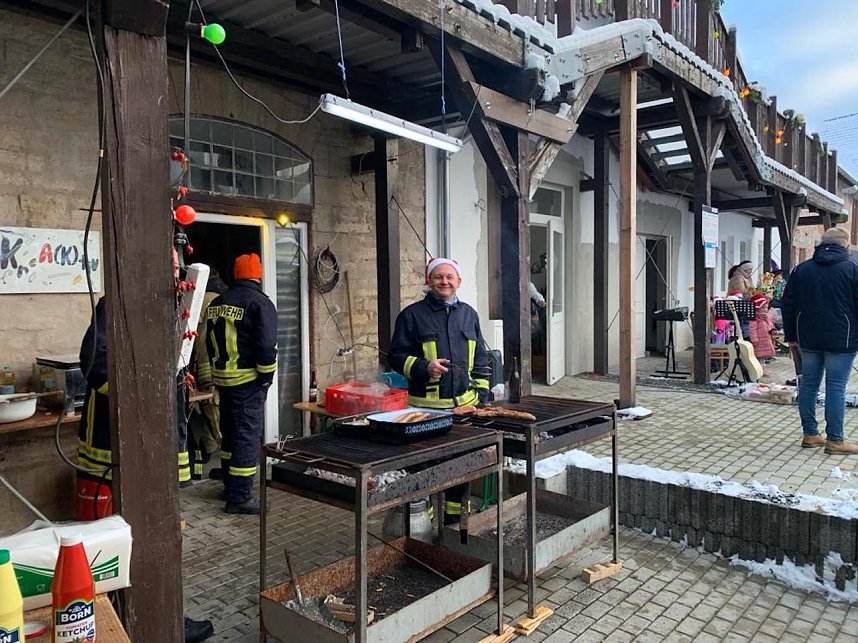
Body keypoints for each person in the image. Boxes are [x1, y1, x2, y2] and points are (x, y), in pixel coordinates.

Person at [76, 253, 214, 643]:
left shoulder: (171, 308)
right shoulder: (115, 306)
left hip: (157, 452)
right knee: (112, 549)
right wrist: (145, 399)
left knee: (161, 538)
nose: (175, 274)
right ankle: (117, 623)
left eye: (176, 268)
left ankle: (167, 615)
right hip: (112, 455)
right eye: (168, 266)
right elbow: (96, 365)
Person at [389, 257, 491, 521]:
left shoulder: (469, 314)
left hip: (464, 413)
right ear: (428, 281)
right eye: (438, 277)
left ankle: (456, 526)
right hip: (426, 413)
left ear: (458, 282)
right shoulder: (411, 316)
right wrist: (424, 367)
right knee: (424, 469)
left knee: (461, 468)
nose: (444, 281)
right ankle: (423, 525)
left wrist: (481, 395)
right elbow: (395, 357)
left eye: (449, 277)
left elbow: (480, 357)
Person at [206, 253, 278, 514]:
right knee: (247, 438)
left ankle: (229, 485)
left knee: (230, 435)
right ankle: (240, 498)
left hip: (224, 381)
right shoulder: (260, 303)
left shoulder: (217, 302)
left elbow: (207, 341)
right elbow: (267, 346)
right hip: (248, 381)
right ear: (257, 275)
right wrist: (266, 378)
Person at [782, 227, 858, 454]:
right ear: (845, 246)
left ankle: (811, 434)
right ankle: (835, 440)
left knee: (809, 383)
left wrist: (791, 336)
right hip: (842, 338)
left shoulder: (801, 270)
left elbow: (787, 303)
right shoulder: (853, 270)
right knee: (836, 387)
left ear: (821, 244)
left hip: (808, 337)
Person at [188, 269, 228, 480]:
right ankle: (209, 449)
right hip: (220, 363)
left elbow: (189, 328)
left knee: (210, 407)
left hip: (205, 364)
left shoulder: (203, 299)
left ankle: (219, 451)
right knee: (210, 408)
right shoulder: (224, 298)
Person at [748, 293, 775, 365]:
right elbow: (752, 329)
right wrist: (754, 339)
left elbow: (769, 325)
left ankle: (763, 368)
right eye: (763, 308)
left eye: (766, 308)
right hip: (758, 340)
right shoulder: (755, 318)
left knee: (763, 355)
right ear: (757, 308)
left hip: (765, 339)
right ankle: (759, 369)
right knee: (758, 355)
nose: (765, 310)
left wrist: (772, 330)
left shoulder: (765, 317)